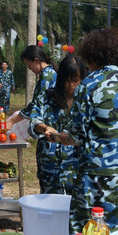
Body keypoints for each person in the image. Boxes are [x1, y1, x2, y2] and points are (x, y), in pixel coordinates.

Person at [65, 28, 118, 231]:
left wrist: (60, 136)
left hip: (94, 179)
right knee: (116, 234)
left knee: (86, 234)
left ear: (91, 55)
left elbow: (76, 137)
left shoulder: (88, 86)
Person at [29, 54, 85, 204]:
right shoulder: (47, 97)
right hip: (50, 164)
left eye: (75, 80)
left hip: (76, 165)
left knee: (76, 206)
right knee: (49, 205)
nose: (71, 85)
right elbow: (34, 121)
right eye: (67, 80)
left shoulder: (86, 101)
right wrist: (45, 128)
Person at [7, 45, 57, 130]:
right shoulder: (48, 73)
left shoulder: (47, 77)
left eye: (28, 65)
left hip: (50, 125)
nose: (29, 68)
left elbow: (36, 104)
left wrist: (12, 121)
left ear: (36, 60)